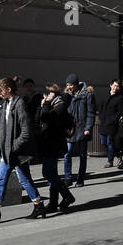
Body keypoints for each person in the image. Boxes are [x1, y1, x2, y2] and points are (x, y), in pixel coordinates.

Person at [0, 77, 49, 224]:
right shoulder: (5, 104)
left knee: (24, 180)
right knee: (0, 180)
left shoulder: (19, 104)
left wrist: (14, 147)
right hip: (7, 152)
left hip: (18, 152)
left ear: (9, 90)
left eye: (1, 90)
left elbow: (26, 132)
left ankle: (38, 205)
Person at [36, 84, 77, 213]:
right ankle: (53, 203)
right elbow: (39, 119)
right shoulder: (53, 105)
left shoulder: (59, 106)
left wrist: (46, 104)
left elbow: (45, 118)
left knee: (47, 174)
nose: (46, 96)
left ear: (52, 94)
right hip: (48, 143)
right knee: (52, 174)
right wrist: (43, 105)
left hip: (53, 144)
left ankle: (68, 196)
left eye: (48, 94)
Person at [63, 75, 96, 187]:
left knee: (82, 155)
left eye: (70, 85)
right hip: (70, 129)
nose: (68, 87)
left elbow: (91, 113)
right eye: (67, 85)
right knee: (67, 153)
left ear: (76, 84)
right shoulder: (67, 95)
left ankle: (80, 178)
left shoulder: (87, 94)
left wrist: (88, 128)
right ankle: (68, 178)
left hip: (82, 128)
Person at [98, 79, 123, 167]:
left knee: (110, 142)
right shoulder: (105, 95)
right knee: (103, 142)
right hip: (103, 123)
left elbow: (120, 111)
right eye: (115, 85)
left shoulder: (119, 97)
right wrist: (101, 117)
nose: (116, 88)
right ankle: (118, 154)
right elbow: (100, 107)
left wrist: (114, 119)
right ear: (111, 85)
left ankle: (110, 161)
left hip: (112, 124)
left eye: (118, 86)